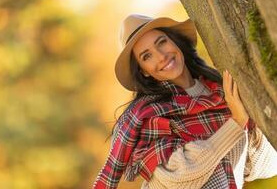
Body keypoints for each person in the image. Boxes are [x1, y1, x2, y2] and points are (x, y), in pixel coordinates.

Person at [93, 14, 277, 189]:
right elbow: (178, 175)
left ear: (175, 41)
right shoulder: (149, 116)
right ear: (144, 71)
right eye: (146, 56)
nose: (161, 56)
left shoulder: (225, 93)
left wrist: (248, 127)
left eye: (162, 42)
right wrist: (236, 122)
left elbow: (266, 165)